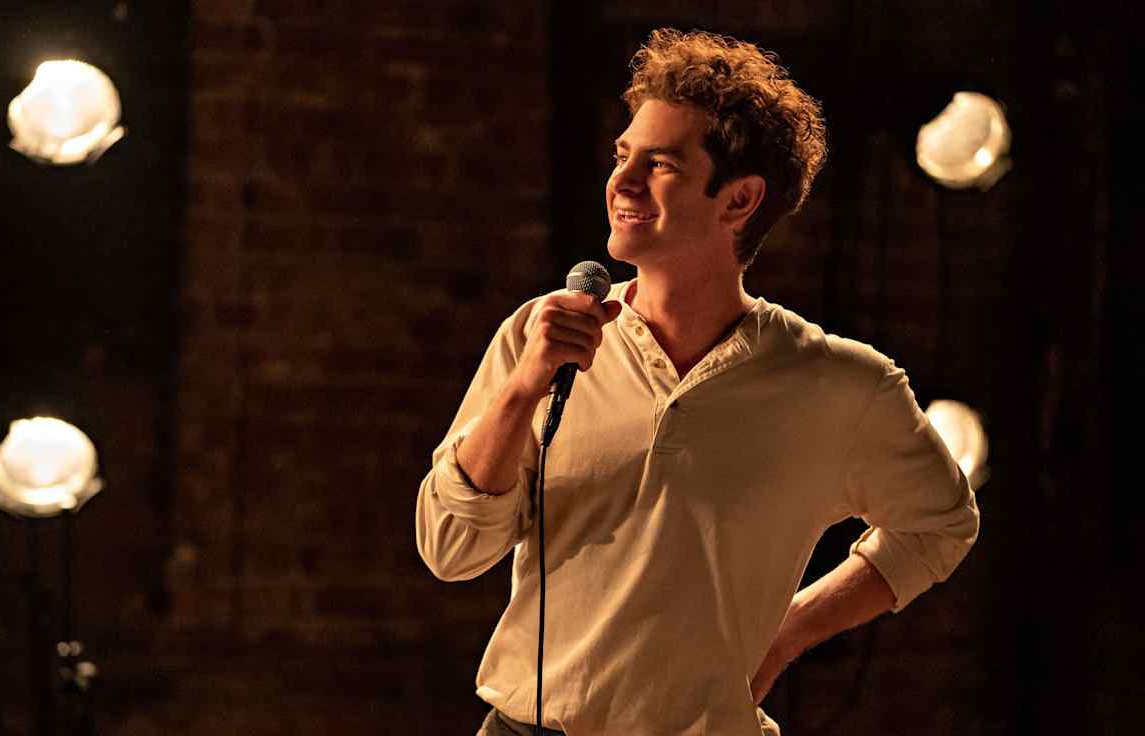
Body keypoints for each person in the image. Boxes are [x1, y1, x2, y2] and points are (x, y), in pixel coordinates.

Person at [416, 28, 979, 736]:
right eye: (623, 155)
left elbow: (941, 524)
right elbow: (451, 550)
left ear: (738, 200)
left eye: (660, 164)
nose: (622, 181)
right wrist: (523, 387)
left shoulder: (838, 384)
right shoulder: (541, 335)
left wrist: (789, 633)